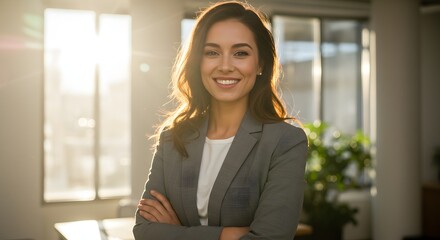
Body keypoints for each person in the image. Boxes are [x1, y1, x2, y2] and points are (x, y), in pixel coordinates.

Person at [133, 1, 308, 239]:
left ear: (261, 64)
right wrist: (229, 235)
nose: (225, 66)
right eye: (212, 52)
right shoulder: (173, 137)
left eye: (240, 53)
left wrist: (177, 233)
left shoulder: (286, 142)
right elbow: (145, 231)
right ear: (198, 62)